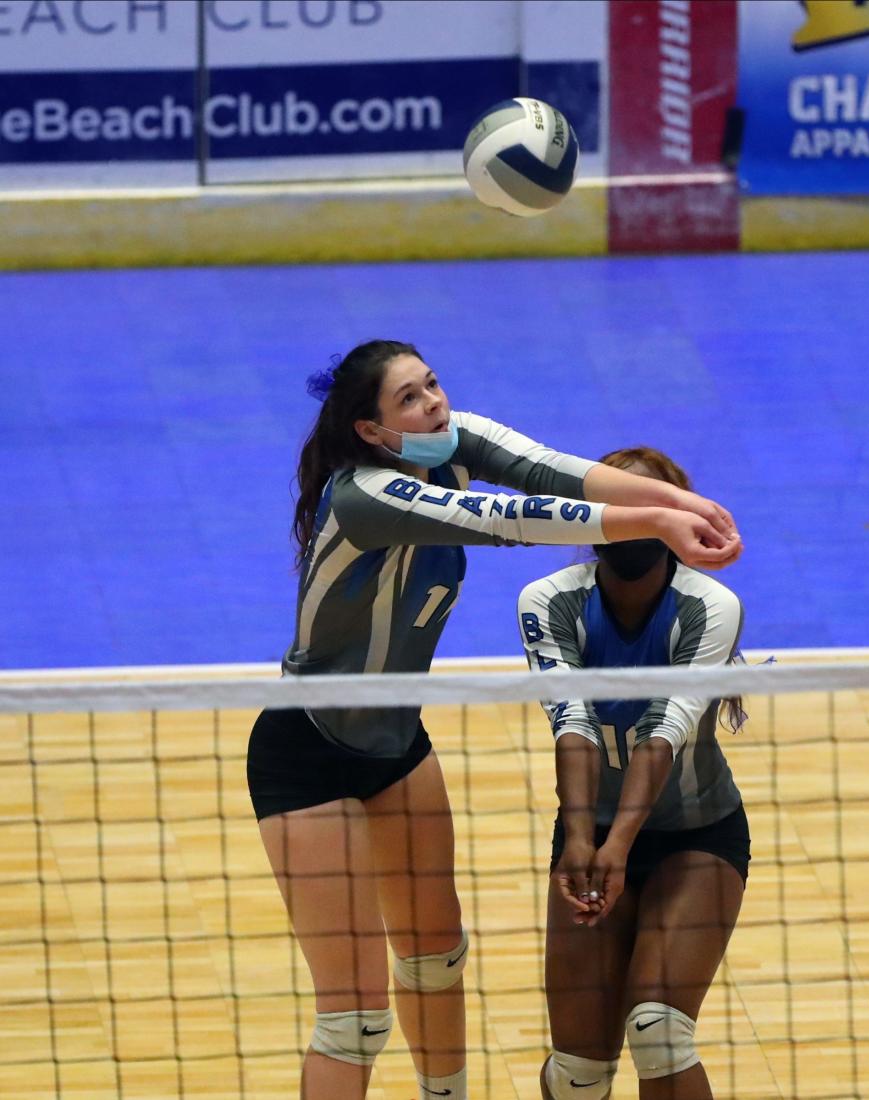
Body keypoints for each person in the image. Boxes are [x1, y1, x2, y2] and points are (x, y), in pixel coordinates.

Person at [246, 342, 742, 1100]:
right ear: (373, 431)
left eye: (433, 384)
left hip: (395, 742)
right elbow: (510, 516)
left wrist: (684, 504)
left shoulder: (454, 441)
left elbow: (553, 471)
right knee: (355, 1019)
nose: (434, 404)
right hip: (306, 748)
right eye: (409, 399)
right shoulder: (366, 497)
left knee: (438, 958)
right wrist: (656, 522)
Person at [517, 446, 749, 1100]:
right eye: (618, 508)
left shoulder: (709, 605)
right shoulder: (549, 601)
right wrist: (585, 842)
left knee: (658, 1032)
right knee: (577, 1077)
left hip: (696, 837)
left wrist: (615, 846)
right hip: (587, 834)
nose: (635, 521)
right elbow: (574, 723)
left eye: (653, 507)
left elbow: (664, 732)